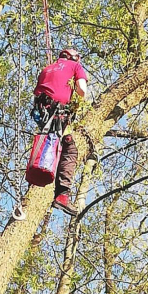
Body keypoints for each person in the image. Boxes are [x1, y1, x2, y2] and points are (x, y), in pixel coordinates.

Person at [33, 48, 88, 216]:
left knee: (49, 142)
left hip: (42, 113)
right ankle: (63, 196)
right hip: (57, 113)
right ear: (74, 58)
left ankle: (41, 170)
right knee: (70, 148)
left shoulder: (46, 69)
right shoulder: (75, 66)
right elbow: (82, 89)